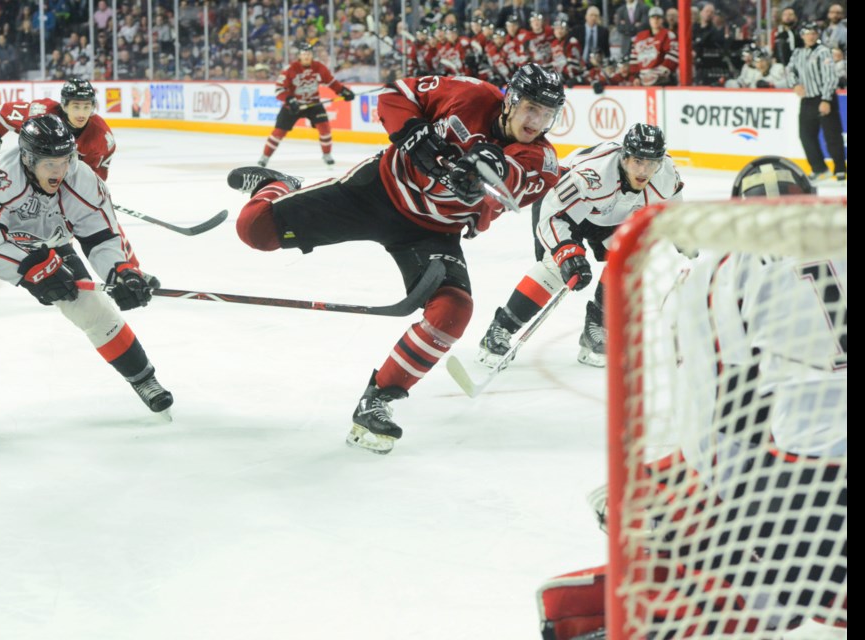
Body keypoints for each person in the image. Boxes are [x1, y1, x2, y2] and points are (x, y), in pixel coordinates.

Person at [534, 156, 846, 639]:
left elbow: (722, 408)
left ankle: (597, 614)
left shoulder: (717, 270)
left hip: (806, 480)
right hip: (811, 478)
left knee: (782, 590)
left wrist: (687, 488)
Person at [229, 65, 566, 454]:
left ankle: (379, 399)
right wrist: (412, 133)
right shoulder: (469, 93)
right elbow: (396, 95)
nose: (536, 121)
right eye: (530, 108)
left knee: (454, 310)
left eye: (547, 114)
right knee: (253, 229)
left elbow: (512, 180)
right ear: (509, 100)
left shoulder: (541, 159)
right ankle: (281, 186)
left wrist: (485, 173)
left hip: (432, 231)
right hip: (377, 191)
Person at [0, 115, 173, 416]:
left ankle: (145, 380)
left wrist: (121, 270)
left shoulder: (82, 178)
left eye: (65, 160)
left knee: (91, 306)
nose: (60, 171)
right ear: (28, 159)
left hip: (43, 240)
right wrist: (33, 272)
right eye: (50, 164)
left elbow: (102, 234)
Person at [476, 123, 683, 368]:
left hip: (610, 217)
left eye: (652, 163)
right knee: (557, 268)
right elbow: (552, 216)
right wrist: (567, 253)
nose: (645, 170)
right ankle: (499, 329)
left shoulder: (666, 172)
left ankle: (595, 328)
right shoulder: (591, 174)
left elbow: (673, 203)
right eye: (638, 161)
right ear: (624, 156)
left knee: (631, 260)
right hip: (562, 211)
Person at [0, 77, 142, 266]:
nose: (82, 113)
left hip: (60, 180)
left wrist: (90, 196)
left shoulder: (101, 138)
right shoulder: (40, 113)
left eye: (87, 107)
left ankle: (129, 268)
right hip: (28, 174)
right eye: (76, 106)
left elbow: (95, 176)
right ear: (64, 105)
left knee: (100, 220)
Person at [257, 42, 356, 168]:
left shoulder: (319, 67)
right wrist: (290, 100)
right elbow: (279, 90)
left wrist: (343, 91)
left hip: (313, 104)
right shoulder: (290, 69)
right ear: (299, 55)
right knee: (278, 132)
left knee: (325, 128)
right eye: (304, 54)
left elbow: (331, 82)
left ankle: (327, 155)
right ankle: (265, 157)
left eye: (309, 54)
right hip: (293, 106)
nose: (306, 56)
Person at [786, 22, 846, 182]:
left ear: (817, 35)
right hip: (807, 99)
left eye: (813, 33)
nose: (810, 36)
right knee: (806, 135)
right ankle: (819, 168)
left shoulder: (824, 51)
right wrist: (795, 84)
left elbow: (830, 77)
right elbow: (790, 70)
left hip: (824, 97)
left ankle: (840, 169)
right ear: (802, 36)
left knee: (832, 135)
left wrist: (826, 99)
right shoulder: (798, 52)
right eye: (807, 33)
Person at [628, 6, 679, 86]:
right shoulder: (640, 36)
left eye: (658, 18)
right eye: (653, 18)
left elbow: (673, 55)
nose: (655, 20)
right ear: (649, 20)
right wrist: (635, 76)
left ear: (662, 20)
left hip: (661, 80)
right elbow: (634, 57)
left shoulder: (668, 35)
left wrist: (659, 73)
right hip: (642, 79)